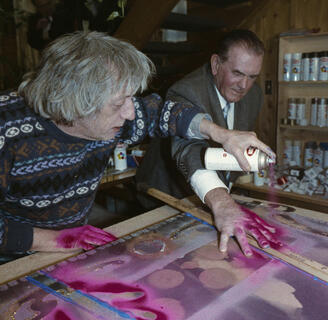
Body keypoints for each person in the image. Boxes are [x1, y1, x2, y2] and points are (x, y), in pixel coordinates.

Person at [0, 30, 268, 256]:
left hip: (71, 241)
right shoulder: (6, 130)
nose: (130, 113)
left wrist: (223, 135)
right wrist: (50, 240)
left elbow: (164, 113)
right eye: (119, 104)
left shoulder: (114, 115)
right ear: (75, 103)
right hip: (12, 256)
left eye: (130, 99)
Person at [136, 29, 278, 257]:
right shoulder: (186, 91)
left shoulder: (255, 95)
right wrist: (221, 202)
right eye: (238, 73)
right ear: (215, 64)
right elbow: (188, 151)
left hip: (211, 198)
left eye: (252, 77)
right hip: (168, 192)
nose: (244, 85)